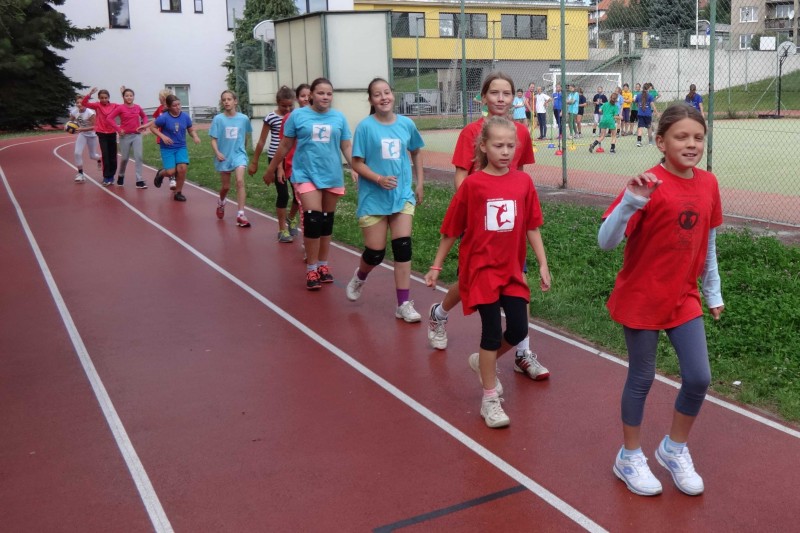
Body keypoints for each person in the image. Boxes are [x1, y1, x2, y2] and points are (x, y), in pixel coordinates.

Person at [598, 103, 723, 497]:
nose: (691, 144)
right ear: (660, 142)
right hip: (642, 297)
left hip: (684, 297)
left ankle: (674, 449)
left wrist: (713, 291)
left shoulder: (709, 184)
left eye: (698, 137)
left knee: (699, 377)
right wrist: (630, 203)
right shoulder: (646, 184)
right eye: (681, 137)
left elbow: (709, 243)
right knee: (642, 377)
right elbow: (606, 242)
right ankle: (629, 456)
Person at [424, 116, 551, 428]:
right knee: (491, 333)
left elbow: (532, 225)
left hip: (511, 271)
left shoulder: (523, 183)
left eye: (510, 146)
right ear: (483, 146)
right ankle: (490, 399)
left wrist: (543, 263)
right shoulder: (473, 185)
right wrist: (436, 265)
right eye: (498, 145)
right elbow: (452, 229)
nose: (505, 151)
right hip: (481, 271)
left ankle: (483, 360)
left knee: (518, 330)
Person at [346, 78, 425, 322]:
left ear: (393, 94)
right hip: (374, 198)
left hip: (401, 196)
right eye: (377, 94)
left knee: (403, 248)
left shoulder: (406, 124)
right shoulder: (365, 127)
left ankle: (403, 304)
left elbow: (416, 152)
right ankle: (360, 276)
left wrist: (419, 182)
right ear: (371, 100)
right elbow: (356, 163)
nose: (383, 97)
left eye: (387, 92)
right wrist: (378, 179)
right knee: (375, 253)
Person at [264, 77, 353, 290]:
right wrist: (271, 169)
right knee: (313, 219)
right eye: (321, 93)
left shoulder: (339, 117)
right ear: (311, 94)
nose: (325, 97)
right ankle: (311, 268)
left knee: (326, 221)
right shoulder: (298, 116)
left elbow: (346, 147)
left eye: (329, 93)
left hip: (332, 175)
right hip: (305, 174)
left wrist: (356, 168)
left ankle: (323, 265)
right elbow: (285, 145)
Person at [250, 86, 296, 242]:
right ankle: (282, 230)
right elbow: (262, 141)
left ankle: (291, 217)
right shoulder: (271, 117)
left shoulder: (296, 116)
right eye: (284, 106)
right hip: (275, 159)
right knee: (283, 194)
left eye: (290, 105)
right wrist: (255, 162)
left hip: (292, 159)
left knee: (299, 194)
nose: (287, 109)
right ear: (277, 102)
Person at [210, 90, 253, 227]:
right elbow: (213, 139)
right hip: (224, 156)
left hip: (239, 155)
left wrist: (242, 150)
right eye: (224, 100)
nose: (226, 102)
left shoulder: (244, 119)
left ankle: (241, 214)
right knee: (226, 187)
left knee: (240, 181)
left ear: (235, 101)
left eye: (229, 99)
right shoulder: (218, 119)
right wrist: (217, 152)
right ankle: (221, 202)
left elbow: (245, 136)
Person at [149, 94, 201, 202]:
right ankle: (161, 173)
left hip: (181, 146)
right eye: (174, 105)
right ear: (168, 107)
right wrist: (162, 136)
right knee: (170, 172)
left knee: (182, 169)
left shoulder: (185, 116)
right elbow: (152, 127)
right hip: (167, 148)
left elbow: (190, 129)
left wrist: (195, 136)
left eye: (179, 104)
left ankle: (178, 192)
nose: (178, 107)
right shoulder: (164, 117)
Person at [107, 87, 148, 189]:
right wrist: (118, 129)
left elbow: (144, 116)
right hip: (125, 136)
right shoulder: (120, 108)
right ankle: (121, 175)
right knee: (125, 158)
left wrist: (144, 125)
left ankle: (139, 180)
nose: (129, 97)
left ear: (133, 97)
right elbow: (109, 118)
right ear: (123, 97)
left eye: (131, 95)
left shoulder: (137, 107)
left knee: (139, 156)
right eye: (127, 96)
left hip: (137, 135)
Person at [81, 87, 120, 187]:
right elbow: (84, 103)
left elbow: (125, 107)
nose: (104, 99)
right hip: (102, 133)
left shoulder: (114, 105)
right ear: (99, 98)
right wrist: (90, 94)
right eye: (102, 98)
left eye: (105, 98)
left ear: (108, 98)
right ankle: (106, 176)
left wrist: (123, 93)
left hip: (112, 132)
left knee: (113, 156)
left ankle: (112, 176)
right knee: (105, 155)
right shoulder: (97, 105)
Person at [68, 96, 101, 183]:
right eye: (77, 103)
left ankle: (100, 159)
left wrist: (82, 129)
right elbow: (70, 121)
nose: (79, 104)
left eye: (81, 102)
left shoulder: (90, 113)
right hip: (82, 135)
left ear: (85, 103)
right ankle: (80, 174)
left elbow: (95, 126)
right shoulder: (74, 112)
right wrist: (69, 127)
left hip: (92, 135)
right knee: (77, 153)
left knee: (92, 156)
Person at [635, 83, 658, 147]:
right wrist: (656, 112)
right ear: (648, 89)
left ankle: (639, 141)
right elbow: (652, 105)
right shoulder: (650, 96)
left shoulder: (638, 95)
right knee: (649, 127)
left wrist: (639, 107)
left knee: (640, 127)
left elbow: (636, 103)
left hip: (640, 114)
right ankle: (650, 142)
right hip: (648, 114)